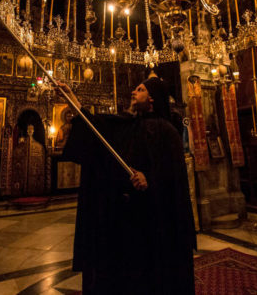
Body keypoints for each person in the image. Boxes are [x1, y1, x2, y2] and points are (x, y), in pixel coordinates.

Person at [58, 76, 196, 295]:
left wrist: (150, 178)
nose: (133, 92)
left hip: (154, 220)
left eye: (139, 90)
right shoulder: (127, 124)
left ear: (152, 98)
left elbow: (176, 178)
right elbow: (96, 129)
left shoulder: (167, 131)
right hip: (127, 219)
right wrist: (71, 99)